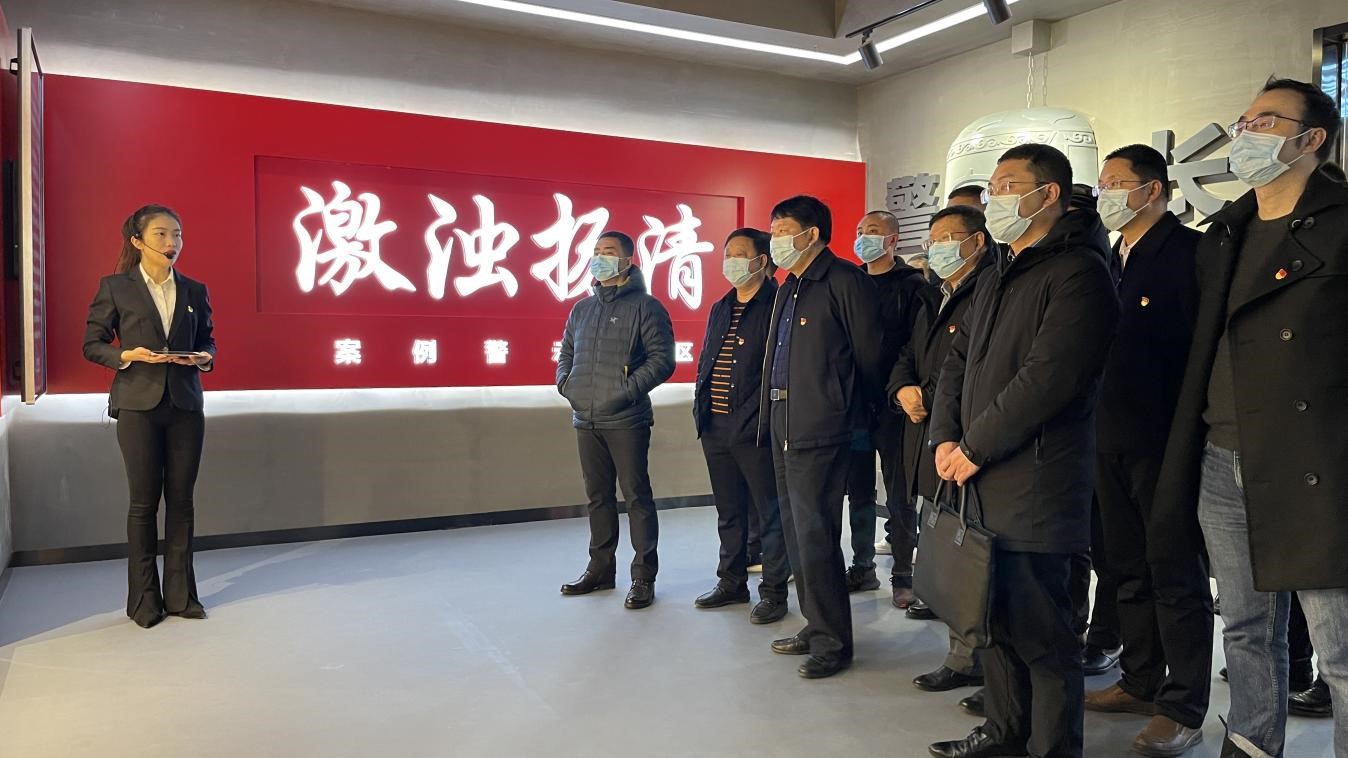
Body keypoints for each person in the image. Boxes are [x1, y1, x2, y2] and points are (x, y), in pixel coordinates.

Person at [1150, 77, 1348, 758]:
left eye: (1265, 121)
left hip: (1316, 460)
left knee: (1339, 648)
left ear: (1311, 138)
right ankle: (1252, 742)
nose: (1245, 132)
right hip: (1223, 454)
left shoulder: (1343, 224)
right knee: (1243, 627)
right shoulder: (1225, 232)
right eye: (1243, 121)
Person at [926, 144, 1120, 758]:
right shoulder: (998, 271)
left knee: (1043, 634)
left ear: (1048, 194)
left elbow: (1049, 378)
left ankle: (1053, 748)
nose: (995, 198)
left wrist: (974, 446)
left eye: (1009, 185)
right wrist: (944, 437)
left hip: (1037, 482)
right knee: (993, 621)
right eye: (992, 187)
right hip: (979, 476)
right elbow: (957, 362)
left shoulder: (1080, 273)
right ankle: (1004, 734)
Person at [1083, 145, 1212, 757]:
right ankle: (1139, 680)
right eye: (1102, 183)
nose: (1105, 193)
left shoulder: (1190, 253)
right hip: (1107, 436)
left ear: (1153, 189)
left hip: (1164, 441)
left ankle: (1183, 704)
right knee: (1124, 565)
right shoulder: (1111, 256)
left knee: (1175, 571)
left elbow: (1201, 355)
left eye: (1116, 183)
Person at [762, 195, 885, 679]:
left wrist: (843, 409)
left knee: (817, 536)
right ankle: (815, 625)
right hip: (783, 421)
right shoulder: (790, 285)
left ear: (811, 234)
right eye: (773, 230)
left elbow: (871, 356)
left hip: (822, 426)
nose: (775, 239)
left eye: (782, 230)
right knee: (796, 533)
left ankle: (833, 642)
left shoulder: (844, 281)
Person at [82, 204, 216, 629]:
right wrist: (127, 355)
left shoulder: (194, 290)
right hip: (138, 405)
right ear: (137, 241)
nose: (172, 242)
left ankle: (181, 596)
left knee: (182, 502)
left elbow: (209, 340)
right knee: (143, 504)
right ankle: (144, 601)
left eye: (177, 234)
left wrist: (204, 357)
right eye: (161, 234)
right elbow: (92, 343)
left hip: (185, 405)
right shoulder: (115, 287)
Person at [892, 205, 992, 698]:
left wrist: (930, 399)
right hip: (928, 435)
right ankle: (963, 654)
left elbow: (971, 368)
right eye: (933, 240)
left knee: (973, 556)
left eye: (950, 238)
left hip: (964, 438)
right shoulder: (934, 294)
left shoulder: (989, 290)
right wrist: (903, 389)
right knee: (948, 547)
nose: (938, 248)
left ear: (977, 241)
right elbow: (909, 354)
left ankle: (979, 661)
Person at [556, 231, 675, 610]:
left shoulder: (646, 307)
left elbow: (662, 361)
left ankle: (643, 577)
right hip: (585, 417)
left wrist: (624, 392)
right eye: (595, 252)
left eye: (608, 252)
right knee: (598, 498)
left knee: (637, 497)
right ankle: (600, 569)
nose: (599, 258)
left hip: (627, 418)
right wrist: (567, 386)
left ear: (627, 260)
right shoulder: (581, 309)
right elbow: (566, 354)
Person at [692, 228, 790, 624]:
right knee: (729, 511)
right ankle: (731, 581)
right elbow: (707, 359)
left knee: (770, 513)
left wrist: (755, 416)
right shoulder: (722, 306)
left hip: (755, 429)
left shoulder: (778, 305)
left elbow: (778, 370)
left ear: (762, 261)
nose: (730, 261)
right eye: (727, 253)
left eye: (739, 253)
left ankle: (774, 591)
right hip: (715, 425)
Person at [847, 210, 927, 600]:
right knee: (858, 490)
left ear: (893, 239)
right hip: (854, 405)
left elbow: (919, 345)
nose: (864, 237)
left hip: (896, 406)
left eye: (874, 231)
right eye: (860, 231)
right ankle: (862, 567)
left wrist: (903, 386)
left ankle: (903, 575)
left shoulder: (913, 286)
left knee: (900, 493)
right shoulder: (849, 283)